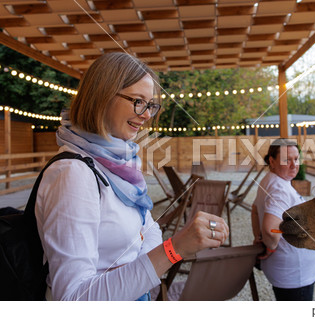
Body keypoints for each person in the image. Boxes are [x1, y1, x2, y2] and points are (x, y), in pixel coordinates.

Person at [34, 52, 229, 301]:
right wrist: (174, 249)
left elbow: (150, 229)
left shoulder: (119, 165)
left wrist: (127, 272)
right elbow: (73, 299)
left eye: (150, 105)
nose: (147, 114)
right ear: (102, 97)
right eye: (138, 101)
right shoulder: (74, 174)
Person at [251, 138, 315, 301]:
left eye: (296, 159)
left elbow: (255, 210)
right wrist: (269, 246)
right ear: (272, 161)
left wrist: (259, 237)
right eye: (287, 160)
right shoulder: (279, 189)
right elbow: (270, 230)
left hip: (290, 273)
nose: (294, 165)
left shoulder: (271, 179)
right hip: (295, 275)